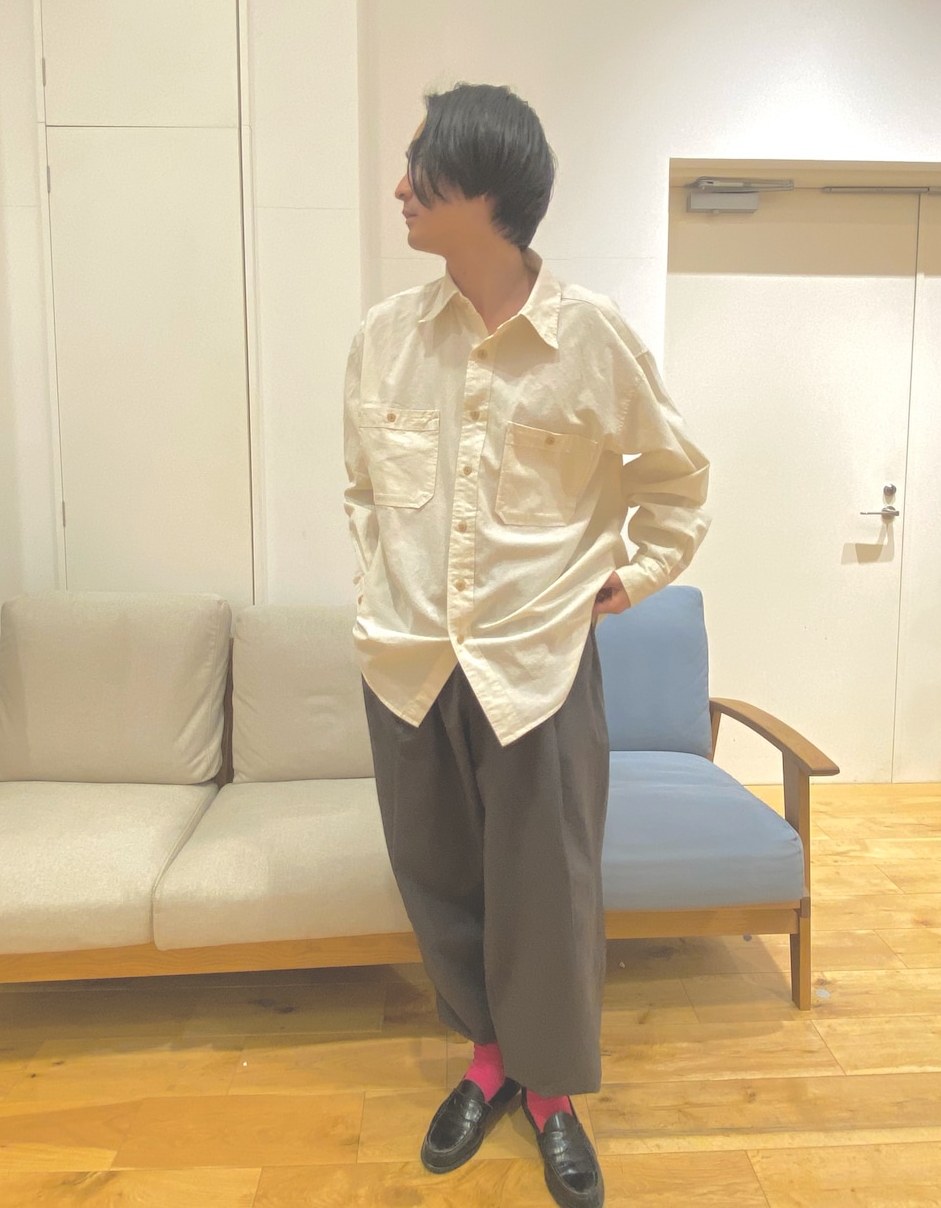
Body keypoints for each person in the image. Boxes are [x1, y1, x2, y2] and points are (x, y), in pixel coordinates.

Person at [343, 82, 710, 1208]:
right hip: (409, 665)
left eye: (422, 168)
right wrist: (380, 587)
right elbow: (363, 491)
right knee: (438, 877)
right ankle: (489, 1060)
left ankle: (551, 1094)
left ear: (487, 188)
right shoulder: (385, 338)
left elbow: (677, 483)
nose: (400, 187)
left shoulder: (590, 338)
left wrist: (633, 575)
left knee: (547, 889)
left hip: (537, 668)